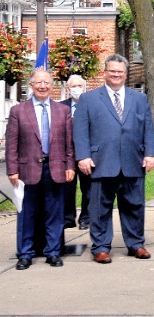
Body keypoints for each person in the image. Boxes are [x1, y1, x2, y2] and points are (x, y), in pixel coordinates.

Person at [73, 54, 154, 264]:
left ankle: (136, 244)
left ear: (126, 74)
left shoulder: (139, 99)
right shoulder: (89, 99)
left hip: (132, 160)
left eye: (120, 71)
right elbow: (80, 131)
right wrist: (83, 156)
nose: (116, 75)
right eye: (112, 71)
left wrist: (151, 153)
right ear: (105, 72)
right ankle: (101, 247)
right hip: (101, 161)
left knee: (134, 205)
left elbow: (148, 128)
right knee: (100, 208)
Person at [6, 70, 74, 269]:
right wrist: (12, 170)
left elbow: (68, 143)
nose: (43, 86)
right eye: (38, 83)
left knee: (55, 213)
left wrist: (70, 166)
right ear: (32, 85)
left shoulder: (63, 111)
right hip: (27, 171)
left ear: (51, 85)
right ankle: (25, 254)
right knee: (26, 214)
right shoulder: (18, 111)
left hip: (55, 169)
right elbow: (12, 144)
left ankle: (53, 252)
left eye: (46, 82)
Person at [61, 74, 90, 230]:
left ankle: (86, 218)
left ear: (85, 88)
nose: (77, 89)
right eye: (74, 86)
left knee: (88, 188)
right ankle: (68, 218)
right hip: (67, 155)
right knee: (67, 188)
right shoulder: (61, 107)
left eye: (80, 86)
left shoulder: (90, 105)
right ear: (68, 89)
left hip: (85, 154)